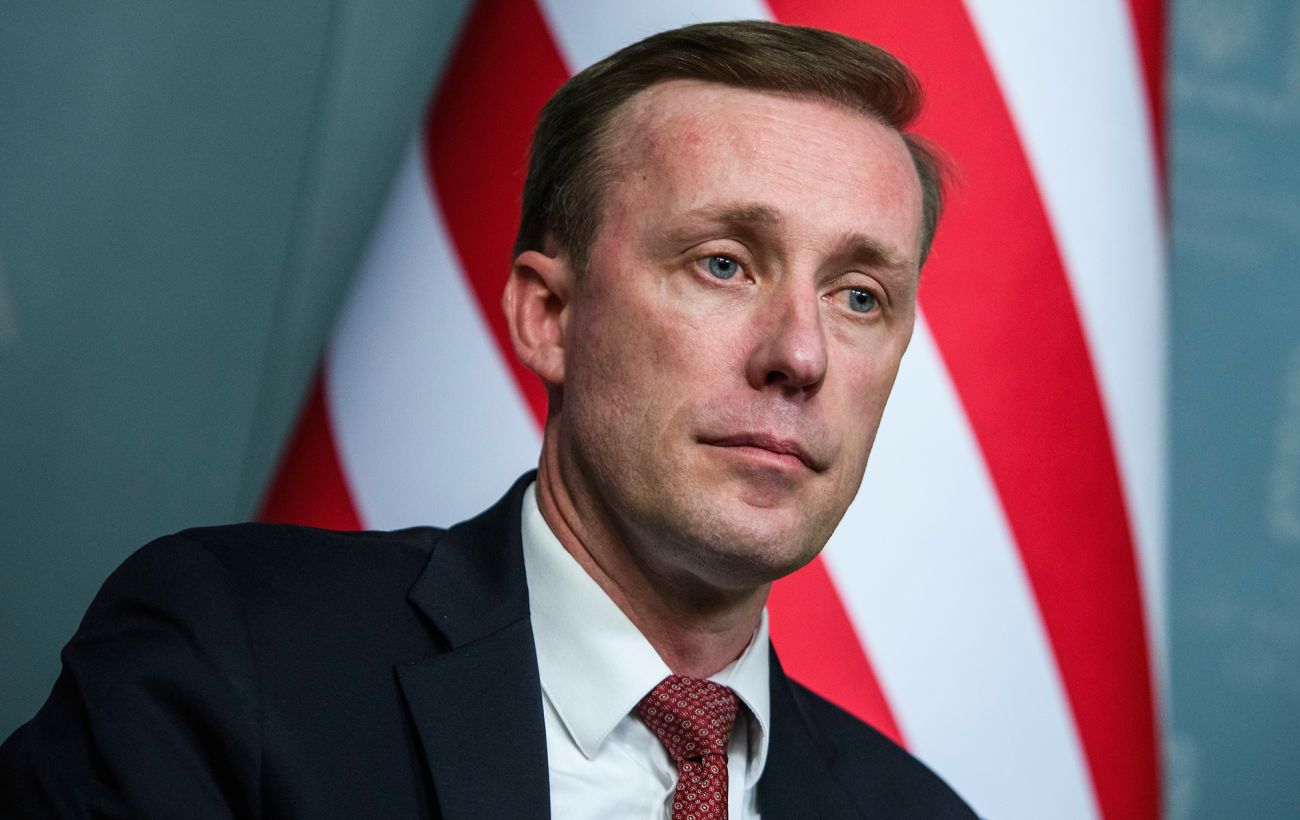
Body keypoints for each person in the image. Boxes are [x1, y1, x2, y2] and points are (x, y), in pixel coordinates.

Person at [1, 20, 976, 819]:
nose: (800, 354)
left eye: (859, 296)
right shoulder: (234, 652)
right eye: (722, 264)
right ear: (547, 316)